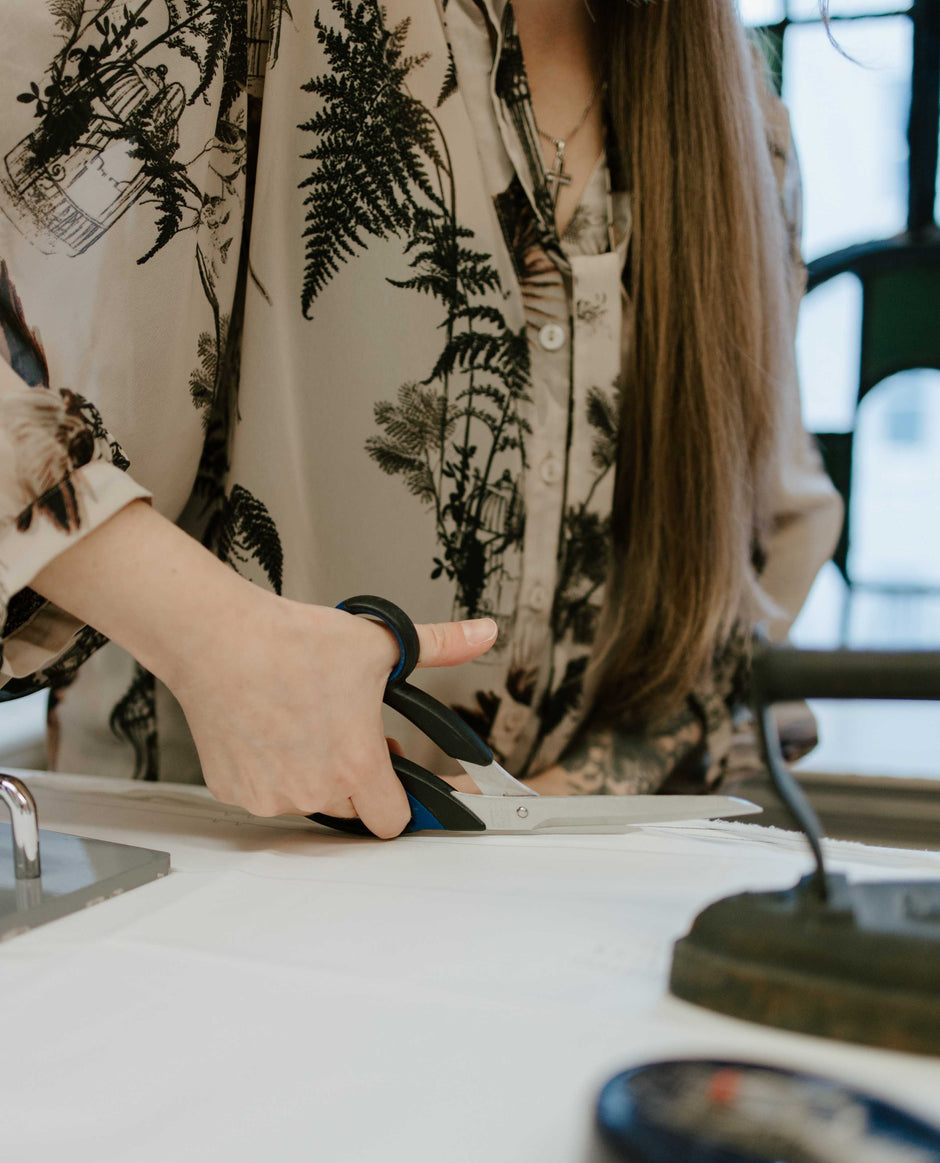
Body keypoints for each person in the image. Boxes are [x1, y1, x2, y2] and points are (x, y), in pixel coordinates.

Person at [0, 0, 841, 836]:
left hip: (568, 896)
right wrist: (213, 637)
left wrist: (536, 812)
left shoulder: (748, 142)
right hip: (211, 859)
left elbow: (731, 600)